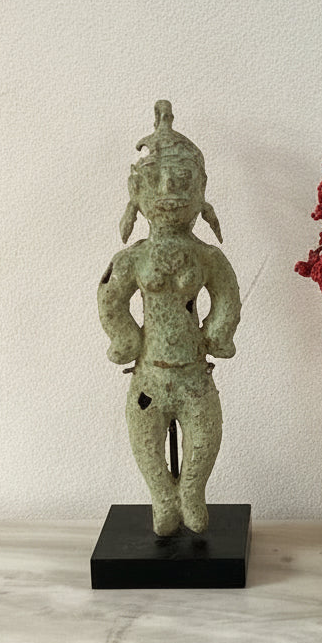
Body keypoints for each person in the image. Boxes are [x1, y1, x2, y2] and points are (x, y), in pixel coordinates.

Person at [98, 102, 241, 535]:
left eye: (181, 182)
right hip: (149, 377)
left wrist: (219, 331)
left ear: (200, 190)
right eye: (157, 182)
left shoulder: (207, 257)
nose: (169, 192)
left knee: (204, 437)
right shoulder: (133, 258)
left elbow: (227, 295)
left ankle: (191, 494)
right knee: (147, 444)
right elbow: (111, 298)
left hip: (195, 374)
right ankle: (163, 498)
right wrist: (123, 338)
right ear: (137, 193)